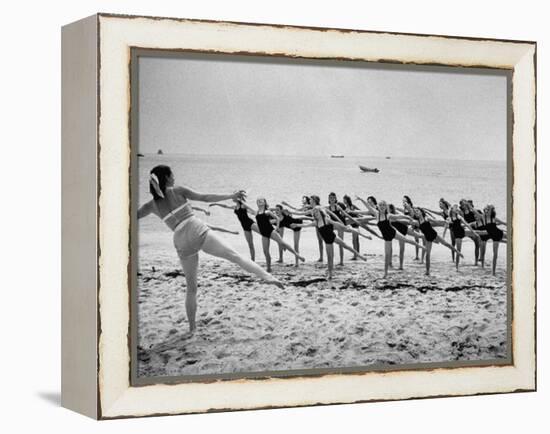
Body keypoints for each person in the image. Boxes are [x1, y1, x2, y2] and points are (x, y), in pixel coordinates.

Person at [137, 165, 283, 335]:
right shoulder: (177, 190)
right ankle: (268, 277)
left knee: (191, 288)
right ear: (167, 178)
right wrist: (231, 195)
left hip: (179, 238)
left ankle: (192, 328)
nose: (174, 178)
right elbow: (205, 197)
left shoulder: (151, 205)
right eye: (172, 175)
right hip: (195, 228)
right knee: (234, 256)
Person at [291, 206, 369, 280]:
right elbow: (306, 225)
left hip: (333, 236)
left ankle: (360, 256)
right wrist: (297, 225)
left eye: (317, 212)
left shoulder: (326, 219)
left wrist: (344, 227)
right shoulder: (316, 222)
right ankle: (330, 274)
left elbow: (335, 223)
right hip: (327, 241)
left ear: (321, 212)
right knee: (329, 257)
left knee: (346, 246)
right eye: (314, 213)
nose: (316, 214)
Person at [362, 200, 425, 278]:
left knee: (407, 240)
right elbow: (368, 206)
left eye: (383, 205)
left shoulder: (388, 215)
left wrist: (408, 217)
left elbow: (398, 216)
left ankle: (422, 247)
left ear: (385, 207)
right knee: (387, 255)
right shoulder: (376, 214)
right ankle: (385, 273)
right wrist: (361, 199)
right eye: (380, 205)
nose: (382, 207)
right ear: (378, 206)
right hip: (386, 238)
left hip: (393, 232)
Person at [253, 197, 305, 272]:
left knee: (282, 243)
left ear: (264, 203)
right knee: (265, 251)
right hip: (263, 233)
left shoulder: (267, 212)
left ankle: (298, 255)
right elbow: (249, 210)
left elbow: (277, 218)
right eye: (258, 201)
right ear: (257, 203)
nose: (259, 201)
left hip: (270, 231)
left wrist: (277, 228)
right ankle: (268, 268)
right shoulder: (257, 212)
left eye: (261, 200)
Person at [412, 208, 463, 276]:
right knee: (427, 255)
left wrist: (445, 222)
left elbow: (436, 221)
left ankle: (458, 252)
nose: (416, 212)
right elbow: (412, 227)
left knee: (446, 244)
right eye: (415, 212)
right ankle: (427, 271)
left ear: (421, 212)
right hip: (428, 238)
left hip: (434, 234)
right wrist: (412, 229)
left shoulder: (426, 218)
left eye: (417, 211)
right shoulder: (417, 222)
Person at [442, 205, 479, 271]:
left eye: (457, 208)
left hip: (462, 232)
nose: (457, 209)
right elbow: (445, 228)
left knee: (478, 234)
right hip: (457, 235)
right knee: (458, 250)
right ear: (452, 209)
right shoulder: (449, 218)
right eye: (455, 208)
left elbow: (467, 224)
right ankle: (457, 266)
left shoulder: (459, 217)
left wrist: (474, 232)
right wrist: (443, 237)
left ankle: (457, 266)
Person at [476, 204, 507, 276]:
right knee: (495, 254)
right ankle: (493, 272)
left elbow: (504, 223)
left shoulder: (494, 218)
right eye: (486, 210)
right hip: (493, 236)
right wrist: (468, 205)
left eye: (488, 210)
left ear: (491, 211)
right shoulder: (483, 218)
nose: (486, 211)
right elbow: (475, 212)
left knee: (495, 254)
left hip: (498, 233)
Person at [342, 195, 361, 260]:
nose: (343, 201)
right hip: (351, 224)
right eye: (343, 199)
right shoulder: (344, 207)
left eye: (344, 199)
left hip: (355, 223)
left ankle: (355, 256)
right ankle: (357, 254)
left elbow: (360, 212)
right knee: (356, 240)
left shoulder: (352, 206)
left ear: (347, 200)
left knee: (354, 240)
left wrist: (358, 217)